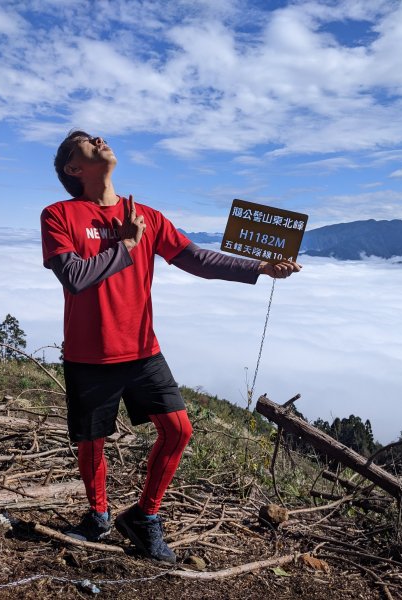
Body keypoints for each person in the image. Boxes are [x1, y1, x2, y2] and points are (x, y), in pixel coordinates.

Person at [41, 131, 301, 564]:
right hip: (90, 353)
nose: (100, 139)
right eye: (85, 141)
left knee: (179, 429)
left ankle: (144, 516)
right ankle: (98, 515)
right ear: (74, 168)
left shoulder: (146, 215)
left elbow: (196, 259)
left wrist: (260, 267)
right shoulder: (59, 215)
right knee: (92, 442)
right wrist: (125, 244)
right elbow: (75, 277)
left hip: (142, 348)